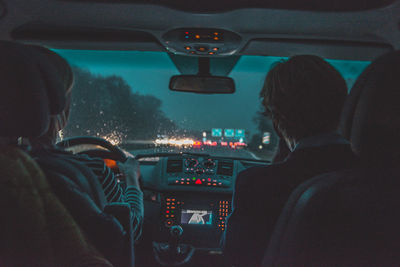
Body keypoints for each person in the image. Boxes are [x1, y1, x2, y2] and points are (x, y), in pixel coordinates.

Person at [222, 55, 358, 266]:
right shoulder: (379, 180)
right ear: (342, 108)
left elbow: (236, 258)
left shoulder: (257, 185)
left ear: (277, 121)